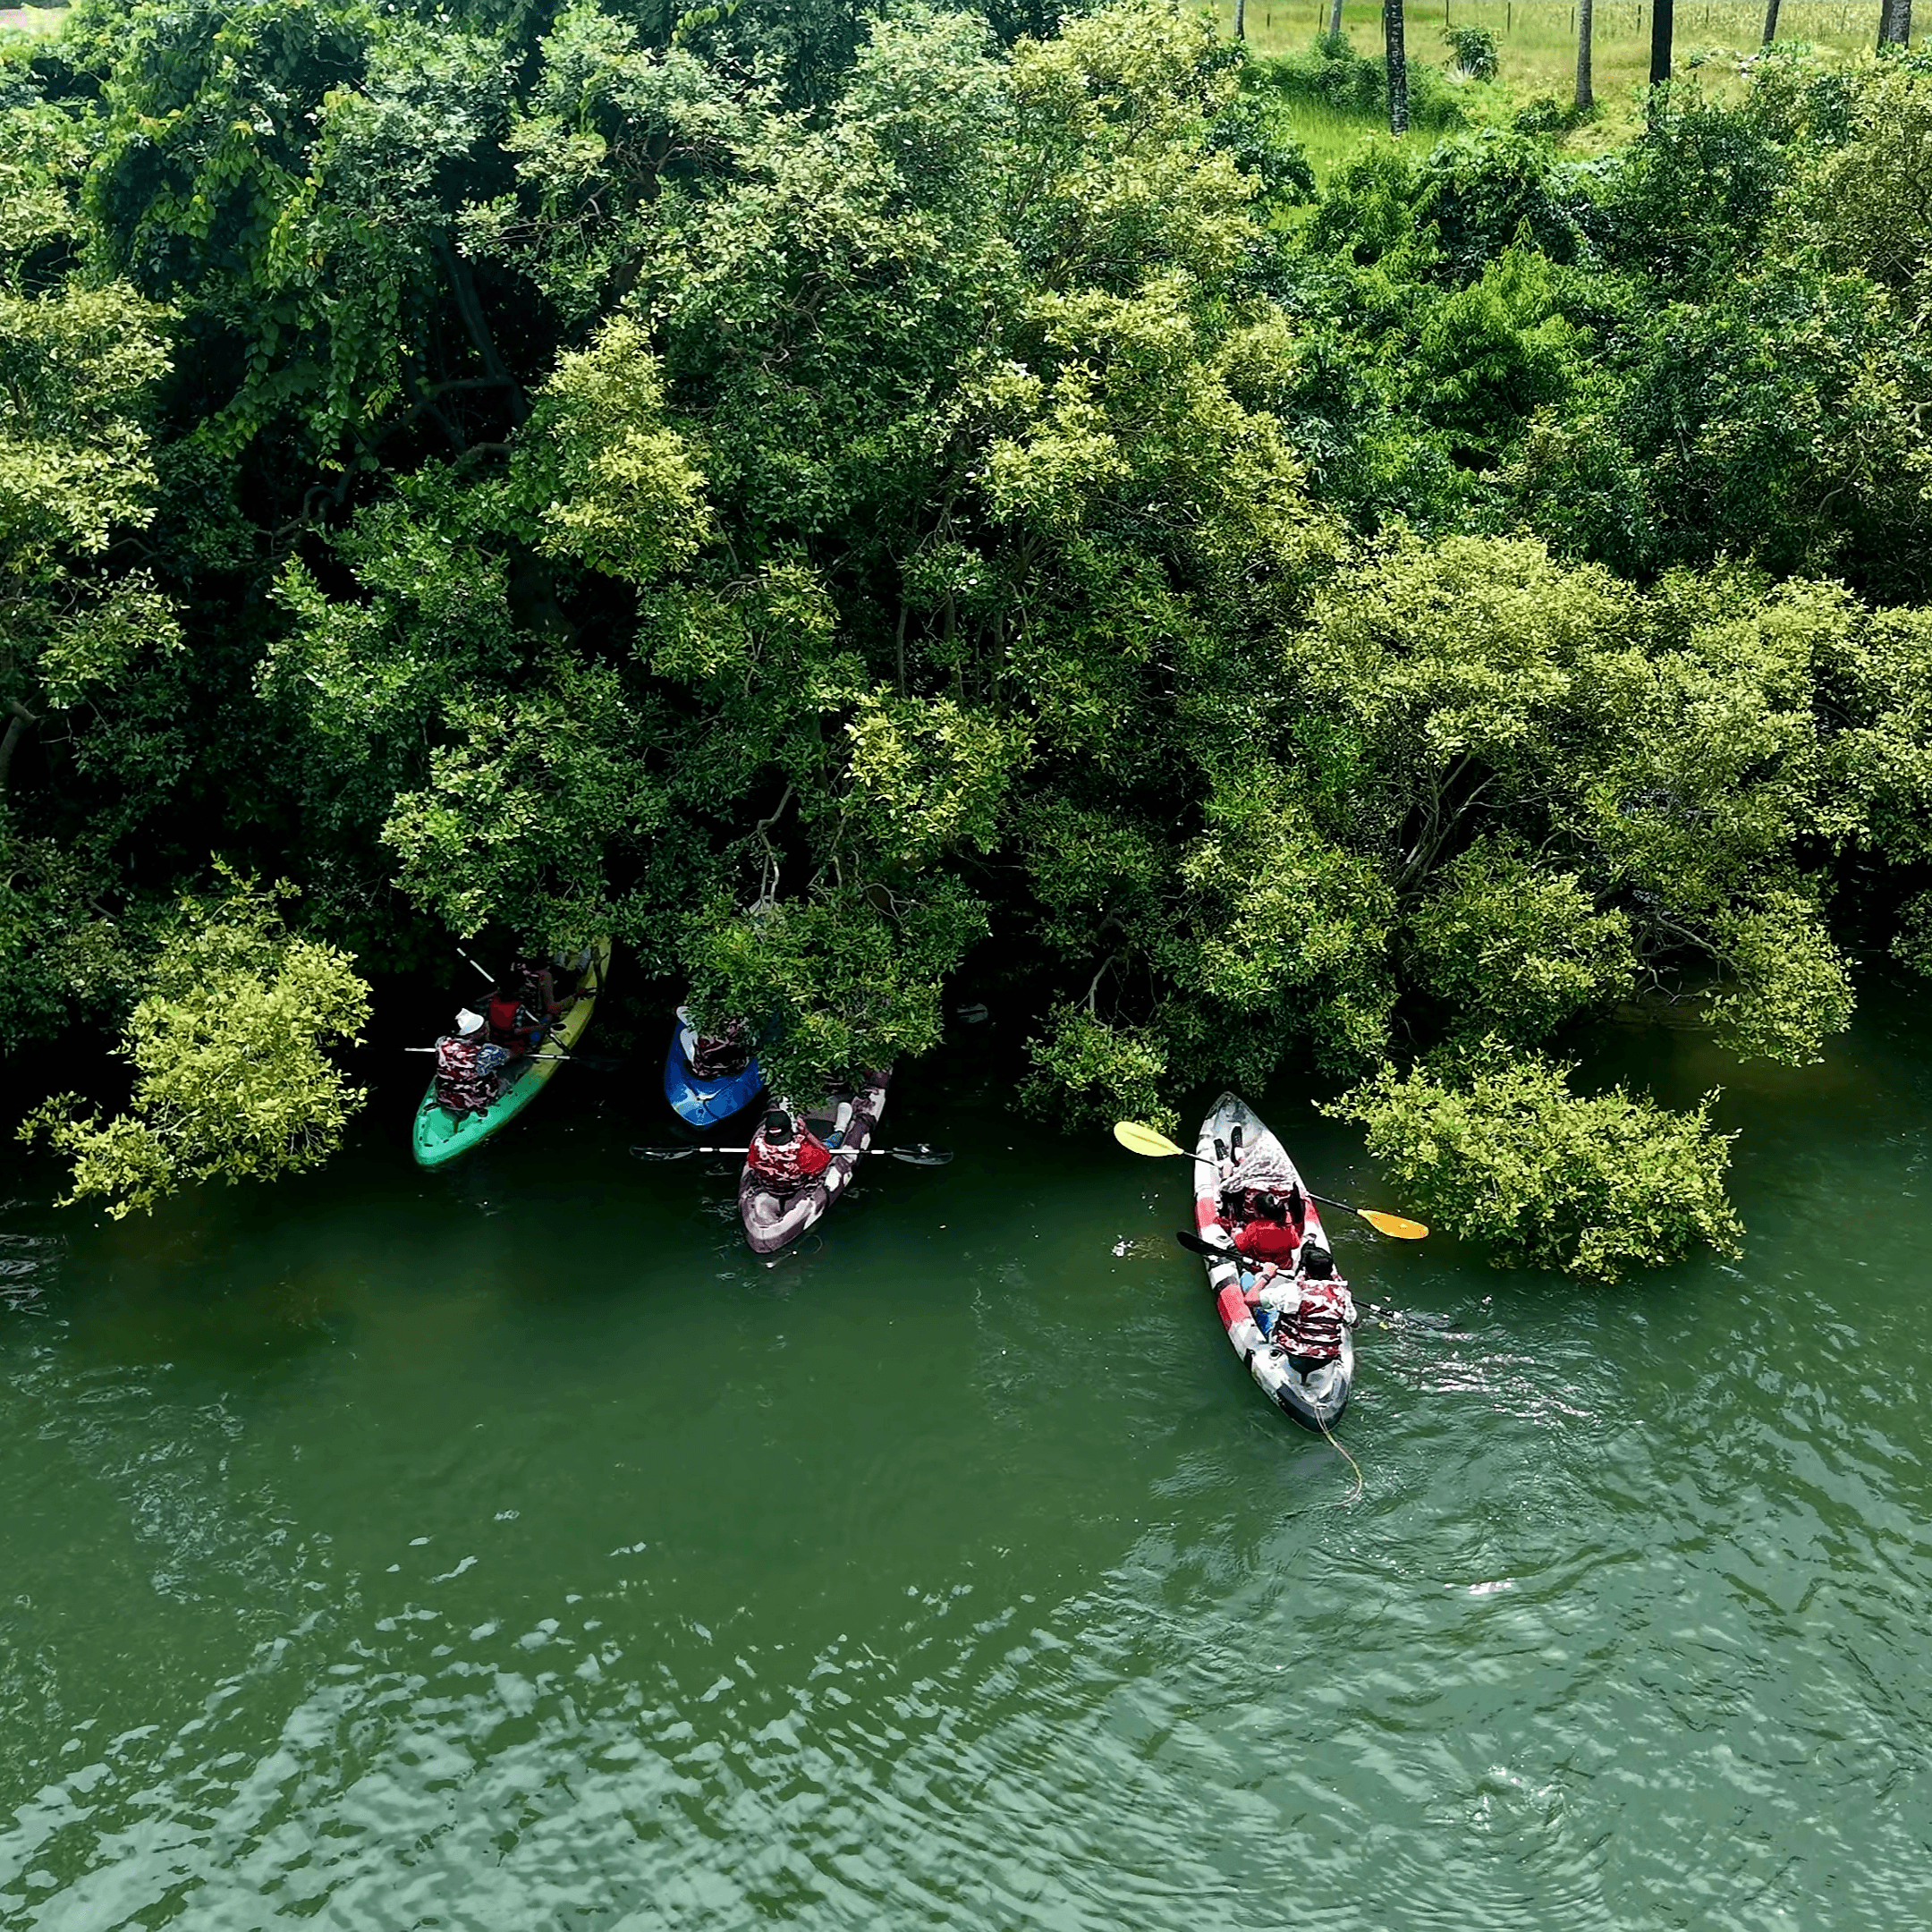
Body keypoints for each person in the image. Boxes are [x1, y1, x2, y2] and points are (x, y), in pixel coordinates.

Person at [1244, 1247, 1358, 1375]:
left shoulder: (1292, 1292)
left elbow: (1249, 1299)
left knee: (1249, 1282)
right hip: (1325, 1359)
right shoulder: (1342, 1294)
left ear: (1306, 1271)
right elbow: (1354, 1323)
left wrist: (1267, 1276)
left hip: (1293, 1356)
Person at [434, 1010, 512, 1118]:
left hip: (446, 1097)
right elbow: (510, 1056)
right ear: (480, 1032)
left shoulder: (442, 1042)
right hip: (477, 1100)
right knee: (510, 1072)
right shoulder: (485, 1051)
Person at [746, 1108, 833, 1191]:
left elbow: (752, 1162)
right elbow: (825, 1154)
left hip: (769, 1186)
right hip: (794, 1187)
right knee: (828, 1146)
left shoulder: (757, 1144)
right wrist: (806, 1132)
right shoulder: (801, 1147)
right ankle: (840, 1131)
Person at [1229, 1186, 1306, 1266]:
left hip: (1261, 1266)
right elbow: (1295, 1244)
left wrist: (1237, 1234)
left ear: (1261, 1214)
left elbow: (1242, 1247)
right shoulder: (1287, 1226)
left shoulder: (1253, 1228)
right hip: (1283, 1265)